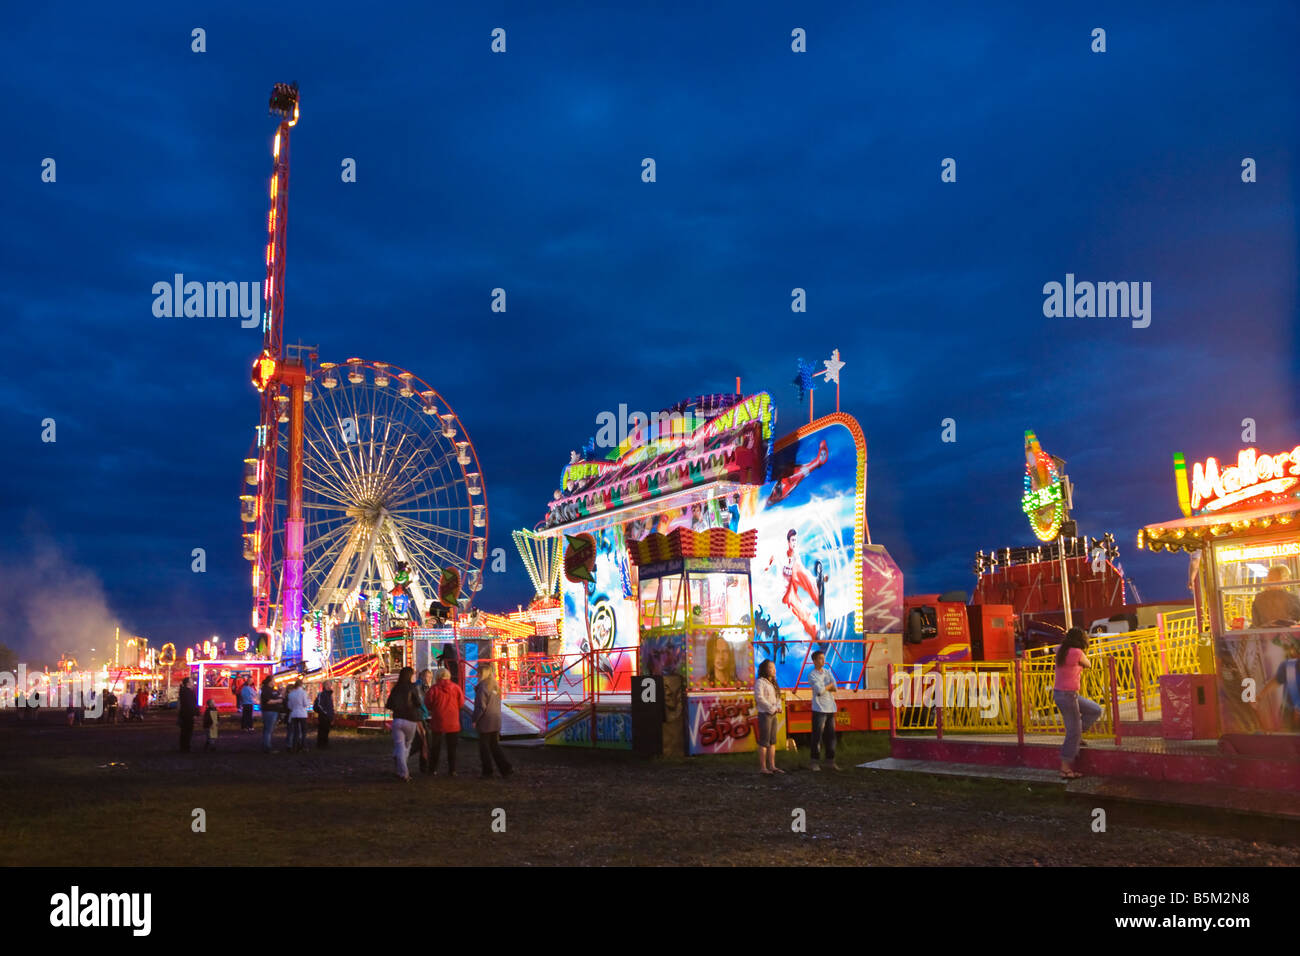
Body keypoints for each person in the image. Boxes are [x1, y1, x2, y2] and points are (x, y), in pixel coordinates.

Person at [1054, 627, 1102, 779]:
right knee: (1073, 732)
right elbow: (1088, 664)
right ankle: (1065, 769)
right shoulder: (1077, 652)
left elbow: (1056, 648)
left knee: (1095, 709)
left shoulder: (1061, 649)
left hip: (1062, 694)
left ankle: (1080, 733)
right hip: (1068, 695)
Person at [472, 664, 513, 778]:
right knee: (494, 746)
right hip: (495, 719)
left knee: (484, 748)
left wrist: (475, 719)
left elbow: (480, 706)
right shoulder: (494, 686)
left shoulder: (482, 687)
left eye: (478, 673)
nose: (476, 675)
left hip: (485, 721)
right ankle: (505, 768)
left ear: (482, 674)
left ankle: (487, 771)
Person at [385, 667, 424, 781]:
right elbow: (418, 702)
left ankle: (401, 770)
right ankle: (404, 771)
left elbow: (389, 704)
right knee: (407, 745)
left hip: (397, 720)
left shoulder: (396, 688)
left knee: (399, 745)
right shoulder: (412, 688)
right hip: (410, 720)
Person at [426, 668, 465, 776]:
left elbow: (428, 703)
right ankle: (452, 770)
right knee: (452, 747)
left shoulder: (434, 689)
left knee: (435, 746)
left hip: (438, 720)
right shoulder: (456, 688)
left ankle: (433, 769)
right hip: (453, 721)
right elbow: (461, 703)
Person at [807, 651, 838, 771]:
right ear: (814, 661)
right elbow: (819, 690)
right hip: (819, 708)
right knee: (817, 736)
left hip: (830, 707)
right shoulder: (812, 675)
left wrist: (828, 687)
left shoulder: (827, 672)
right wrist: (828, 686)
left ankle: (830, 761)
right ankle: (814, 761)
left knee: (830, 736)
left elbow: (835, 687)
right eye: (820, 659)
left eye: (823, 658)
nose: (823, 661)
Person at [754, 659, 784, 775]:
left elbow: (777, 698)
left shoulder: (773, 683)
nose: (774, 670)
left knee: (772, 741)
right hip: (765, 714)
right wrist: (772, 708)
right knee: (764, 741)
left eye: (774, 667)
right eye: (771, 667)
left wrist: (778, 707)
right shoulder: (760, 682)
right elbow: (759, 698)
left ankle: (772, 766)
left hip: (773, 714)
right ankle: (763, 767)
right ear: (765, 669)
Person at [410, 669, 433, 772]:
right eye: (426, 676)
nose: (428, 679)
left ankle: (423, 765)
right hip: (420, 717)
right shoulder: (420, 687)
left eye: (429, 677)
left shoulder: (423, 687)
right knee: (423, 741)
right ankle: (404, 755)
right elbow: (421, 703)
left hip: (422, 716)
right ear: (421, 676)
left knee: (422, 741)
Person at [260, 678, 283, 753]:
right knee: (268, 730)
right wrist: (278, 701)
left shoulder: (271, 690)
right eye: (273, 681)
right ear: (270, 682)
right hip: (270, 711)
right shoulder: (266, 690)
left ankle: (265, 745)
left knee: (268, 730)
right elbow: (268, 701)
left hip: (272, 711)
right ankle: (267, 747)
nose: (274, 683)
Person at [286, 680, 310, 752]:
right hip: (302, 714)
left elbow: (289, 706)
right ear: (301, 685)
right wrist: (308, 701)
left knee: (296, 731)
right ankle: (303, 746)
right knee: (303, 731)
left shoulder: (291, 694)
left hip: (294, 714)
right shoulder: (303, 693)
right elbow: (305, 704)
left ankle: (294, 746)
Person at [177, 677, 198, 753]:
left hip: (184, 714)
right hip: (188, 714)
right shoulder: (188, 692)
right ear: (188, 683)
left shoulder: (183, 691)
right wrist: (194, 713)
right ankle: (186, 747)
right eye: (192, 681)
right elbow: (191, 704)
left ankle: (183, 746)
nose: (193, 683)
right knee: (188, 731)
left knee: (184, 731)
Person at [313, 681, 335, 750]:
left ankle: (324, 744)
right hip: (323, 716)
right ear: (324, 686)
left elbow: (330, 706)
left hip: (328, 715)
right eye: (327, 685)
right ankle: (321, 744)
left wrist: (331, 715)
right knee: (322, 730)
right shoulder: (322, 694)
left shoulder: (329, 695)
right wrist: (325, 712)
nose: (329, 686)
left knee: (326, 730)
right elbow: (319, 705)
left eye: (330, 685)